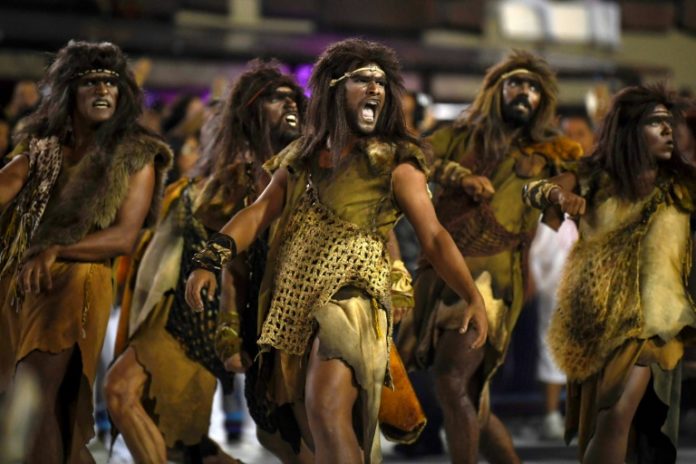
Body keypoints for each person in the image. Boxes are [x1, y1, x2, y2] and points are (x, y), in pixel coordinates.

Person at [185, 38, 487, 464]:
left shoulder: (395, 162)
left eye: (381, 81)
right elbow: (255, 215)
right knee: (311, 429)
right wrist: (209, 259)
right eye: (362, 79)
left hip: (352, 299)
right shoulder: (301, 159)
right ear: (331, 89)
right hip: (292, 307)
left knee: (326, 410)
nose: (376, 89)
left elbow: (434, 237)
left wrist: (471, 295)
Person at [104, 60, 306, 463]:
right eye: (274, 97)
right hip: (180, 309)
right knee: (123, 395)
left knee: (279, 442)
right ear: (249, 112)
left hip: (240, 321)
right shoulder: (225, 174)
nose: (288, 104)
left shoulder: (309, 171)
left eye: (292, 97)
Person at [396, 49, 583, 463]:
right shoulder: (462, 133)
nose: (523, 91)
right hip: (437, 270)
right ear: (496, 90)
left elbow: (582, 177)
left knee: (451, 377)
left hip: (492, 281)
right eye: (515, 82)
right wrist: (456, 174)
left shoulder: (552, 152)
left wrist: (561, 190)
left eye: (533, 87)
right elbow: (416, 156)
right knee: (471, 402)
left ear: (542, 100)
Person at [0, 40, 171, 463]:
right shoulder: (43, 147)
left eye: (110, 83)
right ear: (67, 92)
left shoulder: (136, 153)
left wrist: (55, 250)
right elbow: (6, 184)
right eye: (90, 82)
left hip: (79, 281)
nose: (102, 90)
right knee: (51, 418)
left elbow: (124, 237)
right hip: (21, 285)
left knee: (34, 403)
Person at [523, 84, 696, 464]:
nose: (668, 131)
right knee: (619, 428)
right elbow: (537, 190)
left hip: (656, 325)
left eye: (670, 123)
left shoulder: (684, 188)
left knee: (616, 417)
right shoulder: (596, 178)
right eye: (656, 122)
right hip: (599, 326)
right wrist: (558, 197)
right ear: (632, 130)